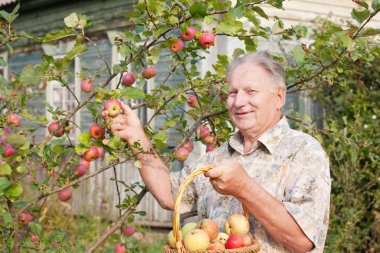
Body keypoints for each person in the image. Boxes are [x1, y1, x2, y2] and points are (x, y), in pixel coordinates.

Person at [104, 52, 331, 253]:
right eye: (233, 92)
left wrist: (244, 188)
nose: (239, 101)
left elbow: (302, 241)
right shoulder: (218, 156)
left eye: (251, 91)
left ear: (279, 97)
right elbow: (169, 194)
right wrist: (136, 136)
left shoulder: (304, 152)